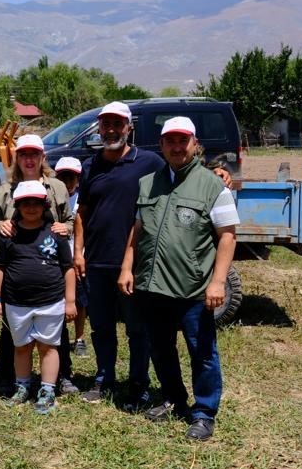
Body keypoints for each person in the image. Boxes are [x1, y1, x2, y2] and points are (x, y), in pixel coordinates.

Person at [120, 116, 238, 441]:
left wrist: (217, 282)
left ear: (194, 144)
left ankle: (203, 413)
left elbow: (227, 236)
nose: (176, 147)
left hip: (194, 289)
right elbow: (138, 229)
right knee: (161, 348)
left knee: (202, 351)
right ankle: (173, 399)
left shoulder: (212, 185)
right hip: (153, 286)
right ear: (161, 145)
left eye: (182, 141)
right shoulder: (148, 184)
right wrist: (127, 267)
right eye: (170, 141)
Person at [73, 101, 166, 409]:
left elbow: (183, 174)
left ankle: (138, 384)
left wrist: (220, 173)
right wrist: (78, 252)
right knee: (101, 326)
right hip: (97, 260)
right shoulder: (90, 166)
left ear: (129, 127)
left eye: (118, 124)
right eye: (106, 124)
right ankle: (104, 378)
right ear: (99, 127)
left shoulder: (149, 162)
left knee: (138, 329)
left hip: (134, 263)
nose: (111, 129)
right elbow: (82, 213)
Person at [0, 134, 76, 397]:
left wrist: (65, 227)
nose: (29, 159)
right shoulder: (5, 189)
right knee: (13, 333)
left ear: (42, 157)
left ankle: (61, 377)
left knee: (56, 333)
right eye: (23, 154)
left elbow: (71, 221)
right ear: (17, 158)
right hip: (15, 266)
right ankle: (9, 376)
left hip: (50, 266)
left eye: (34, 154)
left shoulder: (57, 187)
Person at [54, 156, 90, 357]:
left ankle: (80, 337)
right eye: (62, 177)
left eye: (72, 177)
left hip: (77, 257)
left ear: (78, 178)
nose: (67, 182)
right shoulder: (51, 197)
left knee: (79, 300)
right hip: (56, 258)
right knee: (57, 299)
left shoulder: (83, 200)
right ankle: (60, 336)